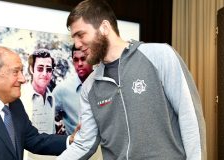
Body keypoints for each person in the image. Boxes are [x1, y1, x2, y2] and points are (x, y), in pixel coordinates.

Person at [57, 0, 206, 160]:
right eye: (74, 38)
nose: (77, 44)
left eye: (81, 35)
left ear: (104, 28)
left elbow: (190, 118)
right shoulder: (89, 87)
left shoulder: (160, 56)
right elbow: (84, 144)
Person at [53, 45, 93, 135]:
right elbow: (48, 116)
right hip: (76, 146)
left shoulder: (103, 85)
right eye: (76, 60)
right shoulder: (62, 90)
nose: (79, 64)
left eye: (83, 59)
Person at [21, 48, 58, 134]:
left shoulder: (51, 98)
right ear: (31, 69)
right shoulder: (20, 96)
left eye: (48, 69)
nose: (45, 73)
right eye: (40, 69)